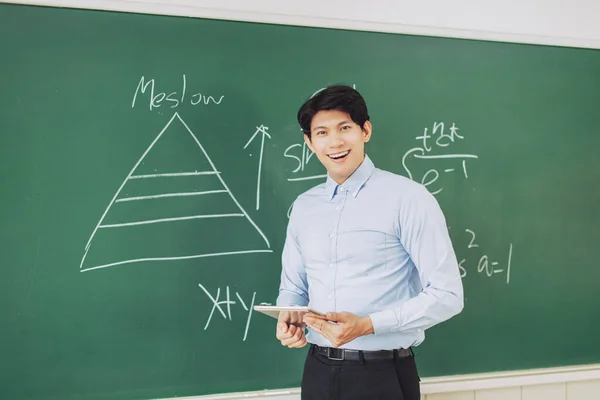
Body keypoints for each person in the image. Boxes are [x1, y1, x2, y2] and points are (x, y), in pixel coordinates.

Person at [275, 85, 464, 400]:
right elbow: (293, 289)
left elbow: (447, 295)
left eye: (345, 128)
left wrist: (368, 325)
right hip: (317, 370)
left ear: (365, 131)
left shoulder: (408, 198)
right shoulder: (304, 207)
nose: (335, 142)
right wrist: (289, 320)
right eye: (322, 132)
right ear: (309, 142)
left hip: (383, 374)